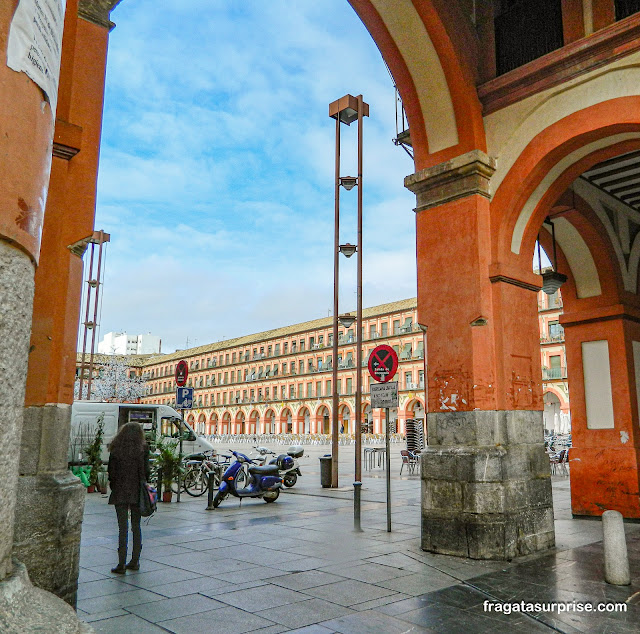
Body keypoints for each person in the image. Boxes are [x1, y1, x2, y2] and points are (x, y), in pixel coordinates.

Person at [107, 422, 150, 574]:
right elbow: (147, 473)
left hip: (120, 491)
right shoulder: (143, 449)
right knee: (136, 527)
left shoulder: (116, 448)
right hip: (137, 492)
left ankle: (121, 564)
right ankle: (135, 561)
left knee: (122, 528)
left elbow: (111, 473)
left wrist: (115, 485)